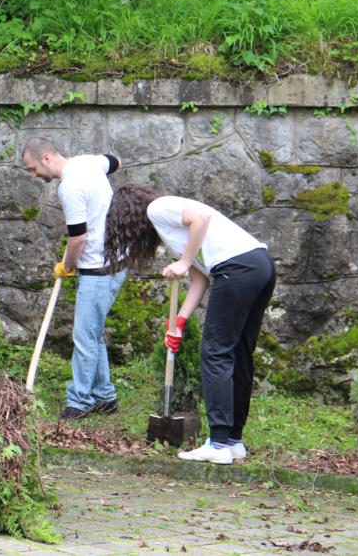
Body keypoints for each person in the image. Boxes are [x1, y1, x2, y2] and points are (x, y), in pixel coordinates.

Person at [103, 183, 276, 465]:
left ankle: (218, 444)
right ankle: (233, 442)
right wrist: (179, 323)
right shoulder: (171, 231)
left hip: (237, 268)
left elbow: (200, 218)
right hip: (259, 265)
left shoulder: (157, 208)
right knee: (239, 355)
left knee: (216, 353)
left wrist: (183, 262)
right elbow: (201, 279)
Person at [21, 138, 125, 421]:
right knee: (93, 333)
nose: (33, 176)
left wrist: (66, 265)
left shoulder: (69, 187)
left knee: (84, 337)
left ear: (45, 158)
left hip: (98, 269)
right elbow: (114, 161)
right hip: (117, 261)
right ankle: (105, 396)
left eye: (32, 169)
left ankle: (79, 401)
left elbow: (78, 237)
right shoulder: (89, 162)